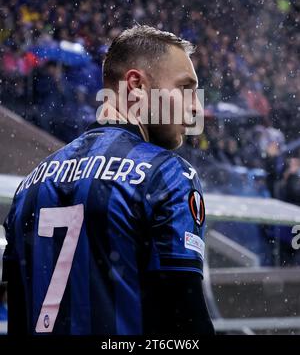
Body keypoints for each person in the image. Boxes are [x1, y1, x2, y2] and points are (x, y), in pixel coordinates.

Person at [2, 25, 214, 335]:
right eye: (186, 88)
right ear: (136, 85)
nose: (196, 107)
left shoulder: (31, 184)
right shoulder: (166, 175)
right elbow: (188, 323)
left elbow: (18, 316)